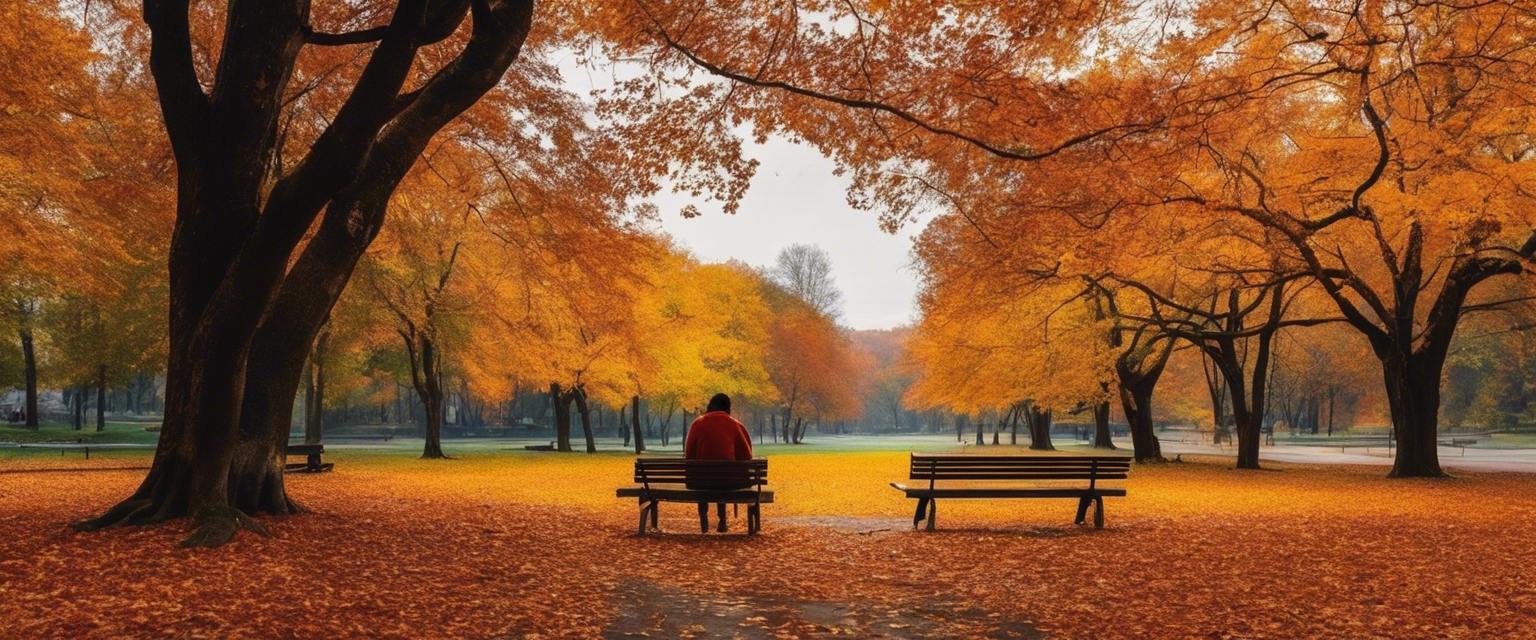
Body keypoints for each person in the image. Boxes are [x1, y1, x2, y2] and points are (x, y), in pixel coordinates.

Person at [683, 393, 754, 532]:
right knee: (723, 477)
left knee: (702, 477)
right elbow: (746, 455)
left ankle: (704, 521)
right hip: (728, 483)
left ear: (710, 406)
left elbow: (689, 456)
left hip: (700, 483)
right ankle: (722, 520)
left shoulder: (697, 424)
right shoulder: (736, 425)